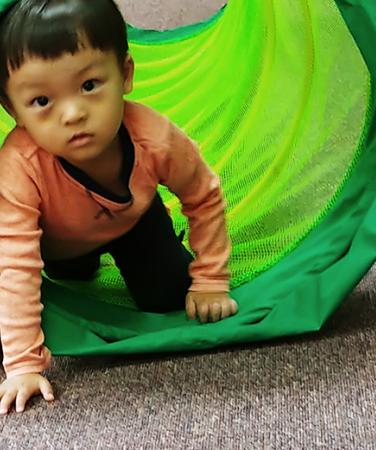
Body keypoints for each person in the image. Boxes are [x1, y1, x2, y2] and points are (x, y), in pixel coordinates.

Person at [0, 0, 237, 415]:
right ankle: (78, 266)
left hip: (136, 223)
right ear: (11, 110)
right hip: (55, 241)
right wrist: (22, 362)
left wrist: (211, 279)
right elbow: (14, 261)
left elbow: (203, 194)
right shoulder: (19, 167)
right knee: (65, 280)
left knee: (168, 297)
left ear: (125, 74)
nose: (73, 113)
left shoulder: (154, 137)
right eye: (41, 101)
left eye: (90, 85)